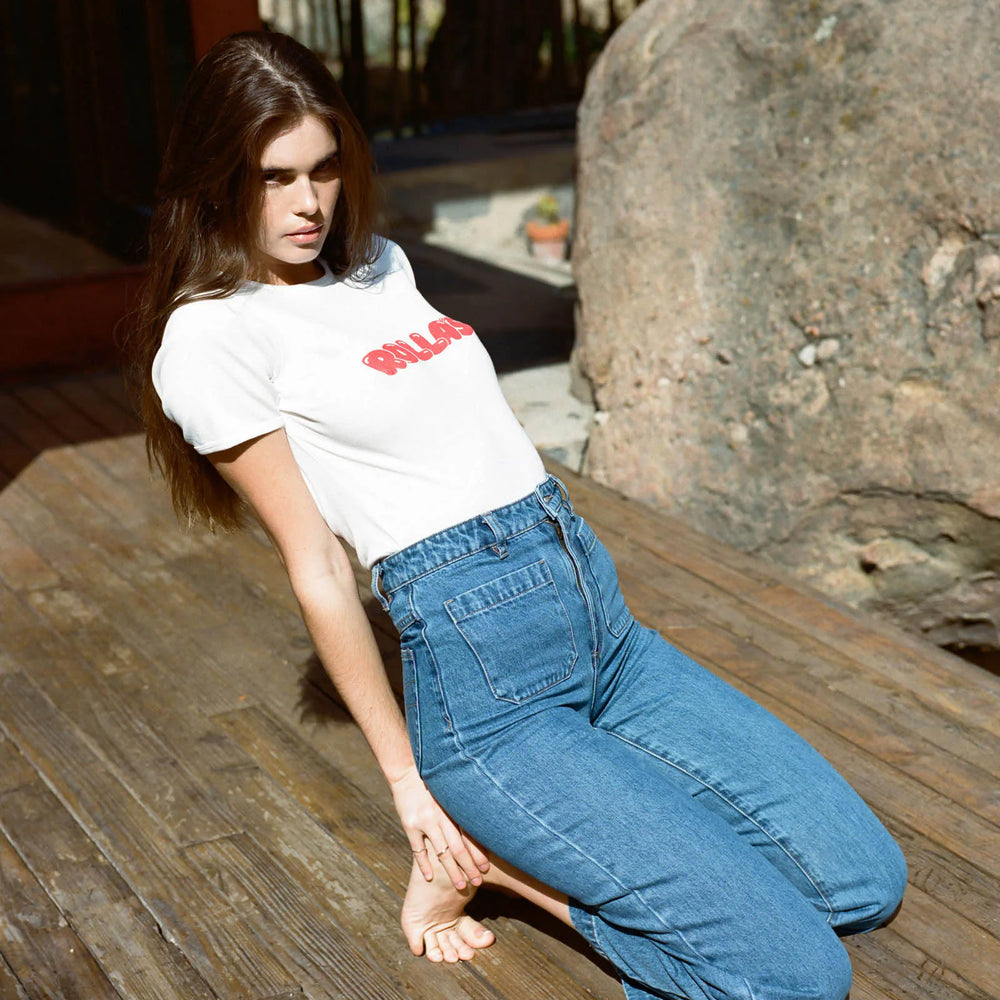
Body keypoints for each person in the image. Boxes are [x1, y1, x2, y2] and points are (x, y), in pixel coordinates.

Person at [131, 30, 907, 1000]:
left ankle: (595, 817)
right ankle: (513, 867)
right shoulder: (211, 338)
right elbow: (319, 567)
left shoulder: (376, 265)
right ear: (214, 180)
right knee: (796, 972)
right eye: (273, 177)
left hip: (601, 627)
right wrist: (411, 788)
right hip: (491, 698)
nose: (307, 202)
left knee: (862, 881)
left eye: (324, 167)